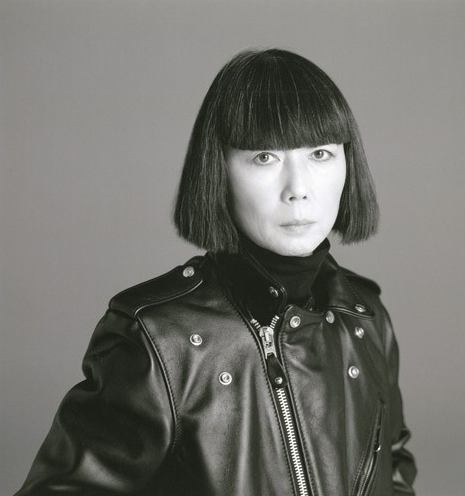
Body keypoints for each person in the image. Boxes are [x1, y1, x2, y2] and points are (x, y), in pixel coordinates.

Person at [15, 48, 417, 496]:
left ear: (347, 163)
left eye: (320, 154)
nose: (299, 189)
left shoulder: (365, 318)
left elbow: (393, 471)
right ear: (218, 169)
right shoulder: (157, 339)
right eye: (265, 157)